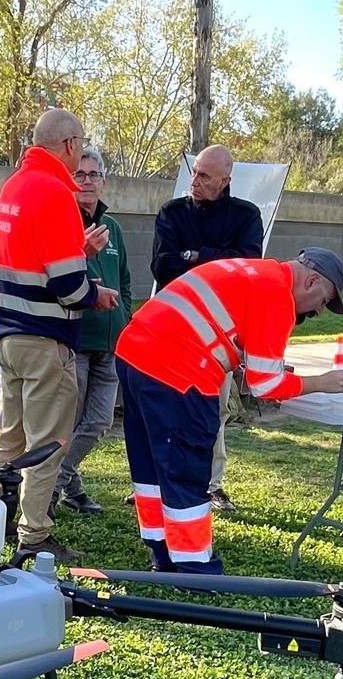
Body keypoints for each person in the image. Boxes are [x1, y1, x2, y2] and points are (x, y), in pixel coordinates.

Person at [117, 251, 343, 573]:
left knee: (150, 465)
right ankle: (194, 566)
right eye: (323, 301)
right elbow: (266, 385)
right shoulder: (277, 297)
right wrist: (321, 382)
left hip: (134, 352)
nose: (318, 311)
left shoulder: (253, 271)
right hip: (179, 372)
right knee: (185, 468)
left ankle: (161, 551)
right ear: (311, 281)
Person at [0, 108, 119, 563]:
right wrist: (96, 294)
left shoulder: (15, 186)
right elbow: (68, 287)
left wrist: (78, 251)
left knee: (10, 435)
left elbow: (33, 258)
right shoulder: (56, 193)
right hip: (46, 338)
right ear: (70, 145)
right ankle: (34, 537)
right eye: (80, 147)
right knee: (48, 443)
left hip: (9, 334)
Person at [150, 144, 263, 513]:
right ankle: (158, 482)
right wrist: (215, 260)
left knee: (212, 409)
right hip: (174, 325)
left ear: (224, 181)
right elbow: (162, 266)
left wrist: (196, 255)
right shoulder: (172, 212)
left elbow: (249, 265)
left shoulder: (246, 215)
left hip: (219, 331)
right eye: (194, 172)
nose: (195, 181)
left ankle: (210, 485)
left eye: (204, 175)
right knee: (166, 406)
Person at [53, 148, 131, 516]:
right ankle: (66, 489)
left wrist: (125, 317)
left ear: (103, 181)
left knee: (99, 421)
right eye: (79, 174)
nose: (86, 181)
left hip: (112, 342)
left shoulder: (113, 227)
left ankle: (59, 481)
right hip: (76, 339)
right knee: (69, 422)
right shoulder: (62, 222)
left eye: (93, 174)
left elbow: (125, 280)